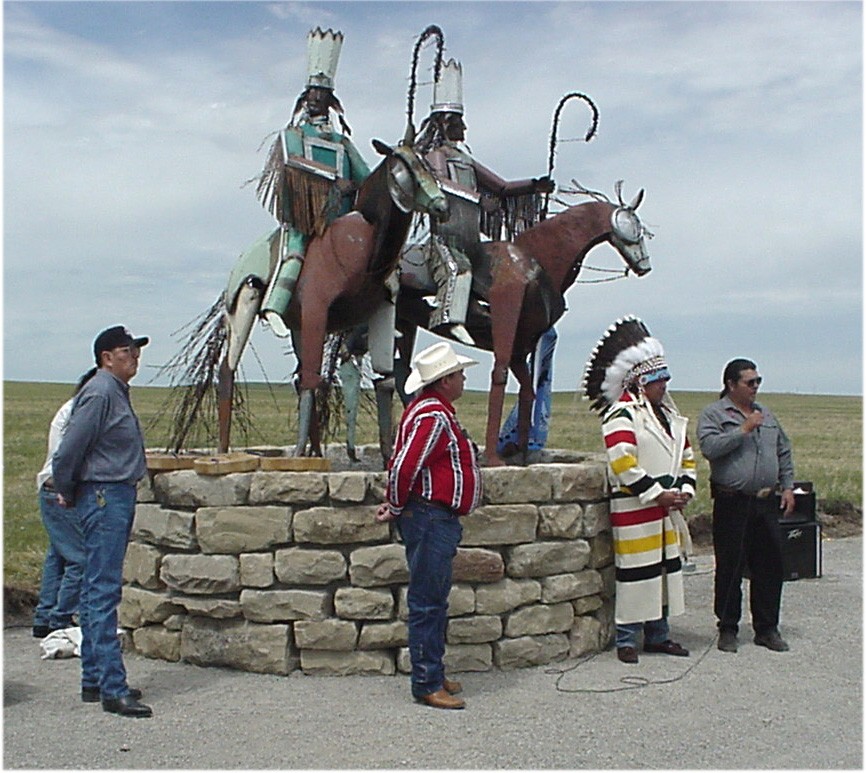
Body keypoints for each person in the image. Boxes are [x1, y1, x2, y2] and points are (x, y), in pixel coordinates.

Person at [412, 58, 553, 344]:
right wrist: (478, 200)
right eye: (459, 122)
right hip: (446, 239)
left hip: (471, 239)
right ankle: (449, 318)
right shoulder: (437, 156)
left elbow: (500, 186)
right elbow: (441, 185)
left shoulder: (465, 159)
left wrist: (533, 186)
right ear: (446, 124)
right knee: (458, 270)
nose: (464, 127)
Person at [583, 316, 696, 664]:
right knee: (636, 572)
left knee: (663, 571)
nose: (665, 385)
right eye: (659, 380)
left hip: (666, 510)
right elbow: (622, 461)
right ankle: (627, 639)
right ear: (642, 382)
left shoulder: (670, 418)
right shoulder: (621, 414)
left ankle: (659, 635)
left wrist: (684, 492)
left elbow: (687, 457)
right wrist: (655, 493)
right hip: (637, 510)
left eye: (666, 379)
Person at [52, 325, 152, 718]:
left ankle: (94, 679)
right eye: (127, 351)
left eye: (136, 351)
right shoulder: (100, 392)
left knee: (98, 589)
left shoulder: (112, 392)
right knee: (103, 591)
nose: (135, 358)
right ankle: (113, 687)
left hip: (112, 493)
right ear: (107, 357)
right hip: (104, 494)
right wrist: (66, 485)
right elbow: (70, 447)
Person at [375, 341, 481, 709]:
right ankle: (426, 682)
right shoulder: (434, 417)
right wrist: (398, 502)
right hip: (430, 517)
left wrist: (396, 504)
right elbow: (405, 466)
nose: (464, 378)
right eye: (459, 374)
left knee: (434, 598)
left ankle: (432, 673)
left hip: (430, 517)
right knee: (428, 601)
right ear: (445, 380)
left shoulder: (430, 412)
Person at [250, 27, 370, 337]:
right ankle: (275, 305)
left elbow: (365, 176)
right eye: (312, 95)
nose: (316, 100)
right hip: (306, 219)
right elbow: (294, 163)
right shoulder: (294, 136)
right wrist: (335, 180)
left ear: (331, 101)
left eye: (322, 96)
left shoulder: (343, 143)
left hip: (341, 222)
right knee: (295, 253)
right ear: (305, 99)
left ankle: (373, 316)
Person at [697, 358, 795, 654]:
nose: (755, 387)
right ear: (731, 384)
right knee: (730, 566)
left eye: (758, 382)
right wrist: (742, 430)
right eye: (749, 382)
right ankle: (728, 628)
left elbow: (783, 449)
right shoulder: (714, 414)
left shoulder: (766, 414)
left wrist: (788, 486)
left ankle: (767, 629)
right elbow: (709, 448)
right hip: (732, 503)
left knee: (769, 567)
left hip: (766, 502)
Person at [32, 371, 97, 639]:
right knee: (80, 558)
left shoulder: (68, 409)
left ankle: (44, 616)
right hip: (62, 489)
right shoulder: (81, 412)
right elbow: (69, 455)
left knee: (57, 556)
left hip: (48, 486)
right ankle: (61, 618)